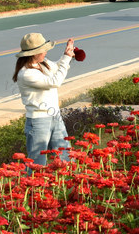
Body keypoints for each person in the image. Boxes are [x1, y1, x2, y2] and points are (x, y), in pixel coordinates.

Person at [12, 33, 85, 167]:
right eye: (43, 50)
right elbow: (55, 81)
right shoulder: (26, 73)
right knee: (37, 164)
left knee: (66, 157)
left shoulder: (43, 63)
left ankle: (67, 179)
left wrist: (67, 55)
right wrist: (67, 58)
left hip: (55, 116)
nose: (46, 52)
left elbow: (57, 67)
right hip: (38, 121)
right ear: (34, 53)